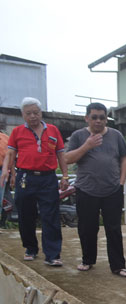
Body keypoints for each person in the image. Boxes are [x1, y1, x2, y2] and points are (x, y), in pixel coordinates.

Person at [65, 102, 126, 277]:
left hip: (112, 189)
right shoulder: (78, 136)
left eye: (102, 117)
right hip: (86, 189)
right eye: (94, 117)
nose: (98, 121)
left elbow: (124, 159)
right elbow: (67, 159)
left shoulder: (116, 135)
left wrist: (121, 181)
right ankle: (87, 260)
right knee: (87, 228)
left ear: (106, 119)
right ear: (87, 118)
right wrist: (87, 145)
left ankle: (118, 265)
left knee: (114, 228)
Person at [0, 97, 69, 266]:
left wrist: (65, 176)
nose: (33, 116)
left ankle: (52, 254)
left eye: (36, 113)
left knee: (50, 215)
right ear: (23, 115)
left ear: (41, 113)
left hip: (48, 178)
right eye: (29, 113)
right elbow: (10, 154)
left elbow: (61, 154)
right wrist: (6, 172)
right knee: (26, 215)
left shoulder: (53, 130)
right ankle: (30, 248)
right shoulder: (17, 132)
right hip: (26, 177)